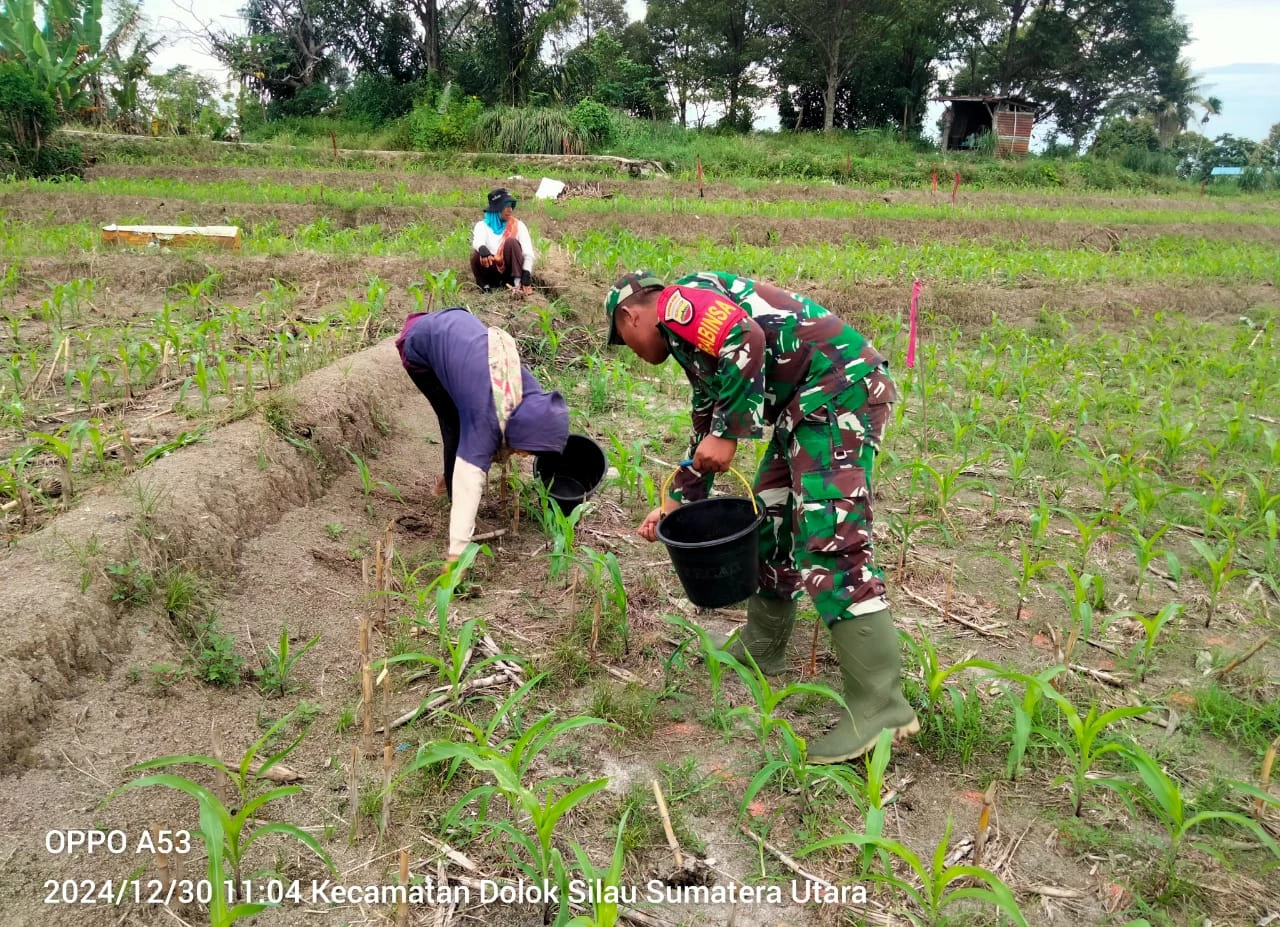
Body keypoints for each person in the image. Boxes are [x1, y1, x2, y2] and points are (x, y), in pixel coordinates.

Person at [603, 271, 918, 764]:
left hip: (838, 393)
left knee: (830, 541)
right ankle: (764, 645)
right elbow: (707, 424)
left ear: (630, 315)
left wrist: (729, 433)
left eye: (623, 339)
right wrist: (675, 502)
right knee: (769, 518)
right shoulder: (690, 345)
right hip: (805, 408)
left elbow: (744, 336)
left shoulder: (676, 305)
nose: (631, 350)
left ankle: (881, 705)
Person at [396, 306, 568, 560]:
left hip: (458, 328)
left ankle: (447, 475)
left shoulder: (529, 394)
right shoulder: (486, 414)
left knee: (466, 417)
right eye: (528, 449)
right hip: (420, 344)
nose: (523, 455)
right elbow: (471, 477)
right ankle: (449, 485)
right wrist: (458, 555)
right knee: (454, 422)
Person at [470, 188, 535, 296]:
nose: (510, 210)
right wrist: (482, 249)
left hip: (509, 273)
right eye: (506, 206)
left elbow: (528, 253)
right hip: (492, 270)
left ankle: (516, 283)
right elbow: (478, 241)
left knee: (511, 242)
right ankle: (485, 286)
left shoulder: (518, 225)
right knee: (475, 255)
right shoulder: (482, 226)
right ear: (496, 209)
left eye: (511, 206)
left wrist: (526, 273)